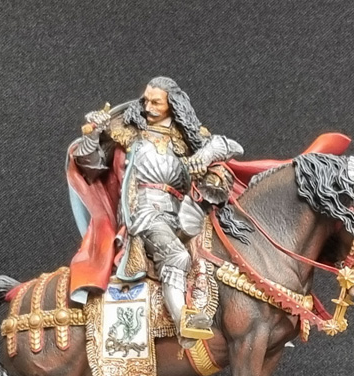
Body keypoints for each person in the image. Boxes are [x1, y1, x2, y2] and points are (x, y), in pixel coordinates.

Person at [67, 77, 242, 340]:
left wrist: (204, 157)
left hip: (182, 213)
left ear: (173, 105)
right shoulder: (127, 132)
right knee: (176, 256)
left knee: (218, 256)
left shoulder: (186, 138)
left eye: (156, 102)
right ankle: (185, 322)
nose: (148, 107)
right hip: (145, 211)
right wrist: (93, 134)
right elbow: (91, 168)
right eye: (146, 100)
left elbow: (231, 146)